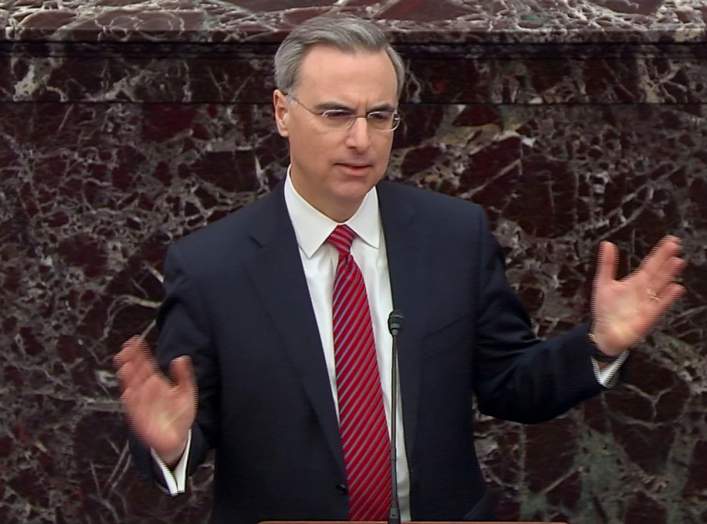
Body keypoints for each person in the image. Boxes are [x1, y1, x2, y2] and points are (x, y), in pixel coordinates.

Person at [114, 15, 686, 524]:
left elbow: (510, 385)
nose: (360, 140)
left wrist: (598, 345)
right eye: (336, 114)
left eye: (379, 115)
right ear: (283, 112)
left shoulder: (453, 236)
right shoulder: (213, 266)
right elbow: (183, 424)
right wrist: (171, 443)